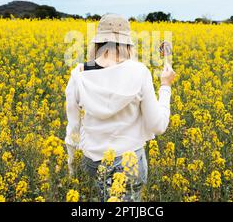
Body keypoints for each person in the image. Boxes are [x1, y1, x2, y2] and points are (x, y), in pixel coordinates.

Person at [65, 13, 176, 201]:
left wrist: (72, 167)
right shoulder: (139, 72)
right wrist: (165, 87)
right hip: (129, 162)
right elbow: (158, 126)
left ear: (98, 43)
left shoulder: (79, 74)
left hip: (92, 164)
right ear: (127, 43)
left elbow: (73, 129)